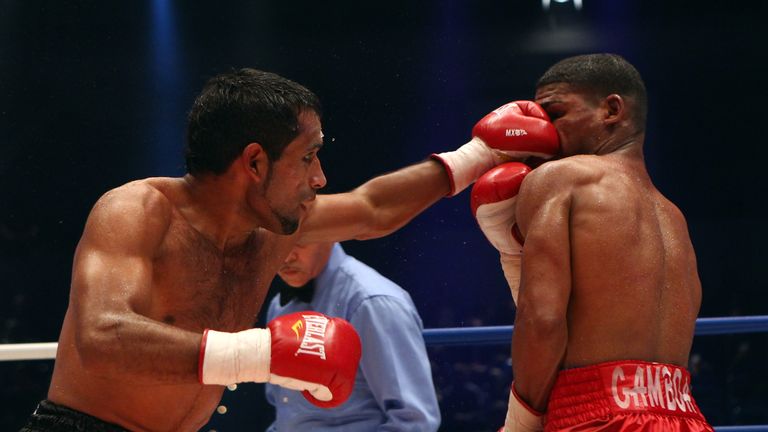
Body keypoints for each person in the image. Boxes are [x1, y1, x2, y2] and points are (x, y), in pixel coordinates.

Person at [21, 68, 559, 432]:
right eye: (307, 158)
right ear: (255, 163)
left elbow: (372, 209)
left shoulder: (271, 229)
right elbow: (100, 335)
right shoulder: (138, 210)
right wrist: (261, 355)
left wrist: (479, 154)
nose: (319, 178)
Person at [471, 54, 715, 431]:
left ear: (612, 109)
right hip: (684, 415)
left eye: (554, 115)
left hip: (594, 416)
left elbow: (543, 320)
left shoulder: (562, 179)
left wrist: (520, 423)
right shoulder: (673, 216)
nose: (543, 135)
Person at [265, 241, 440, 431]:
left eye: (299, 242)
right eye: (276, 244)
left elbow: (415, 423)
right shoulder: (280, 305)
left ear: (330, 233)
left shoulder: (372, 302)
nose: (286, 256)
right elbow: (288, 415)